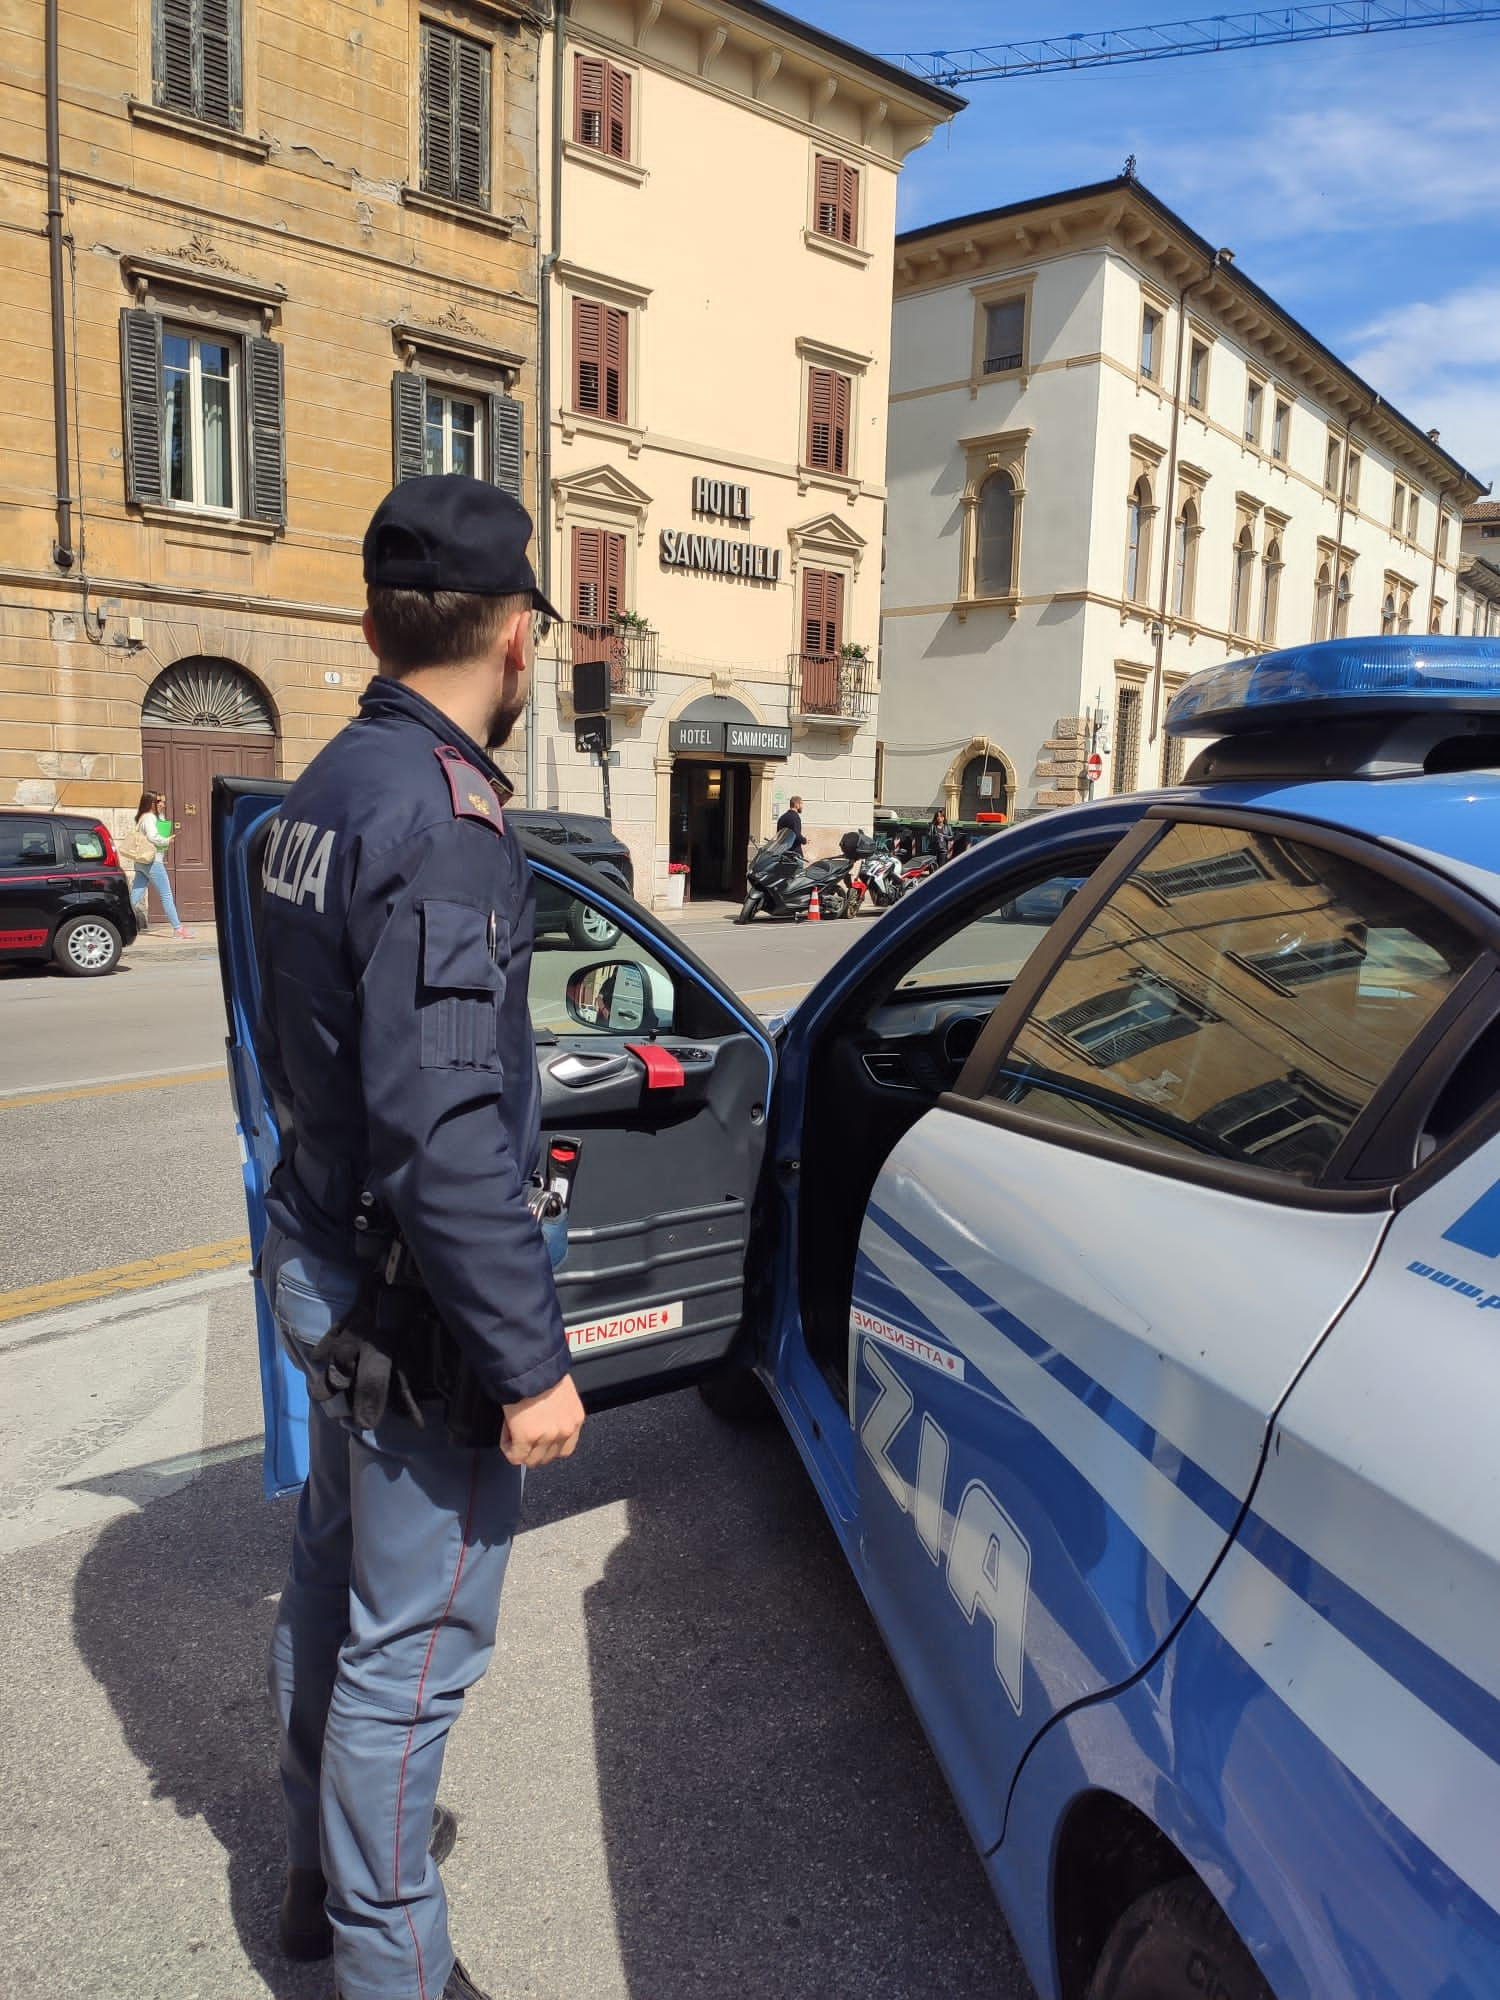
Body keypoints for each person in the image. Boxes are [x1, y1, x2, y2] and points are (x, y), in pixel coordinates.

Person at [254, 474, 586, 2000]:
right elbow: (447, 1133)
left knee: (333, 1579)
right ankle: (394, 1965)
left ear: (373, 623)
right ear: (517, 636)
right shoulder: (446, 822)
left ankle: (319, 1887)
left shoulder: (314, 795)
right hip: (418, 1303)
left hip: (324, 1259)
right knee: (415, 1646)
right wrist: (529, 1367)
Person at [130, 790, 192, 938]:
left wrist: (161, 813)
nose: (163, 804)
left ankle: (118, 921)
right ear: (152, 803)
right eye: (160, 801)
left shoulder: (143, 817)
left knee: (136, 894)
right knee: (166, 895)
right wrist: (167, 840)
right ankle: (178, 929)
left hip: (141, 861)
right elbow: (153, 836)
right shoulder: (149, 817)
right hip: (153, 862)